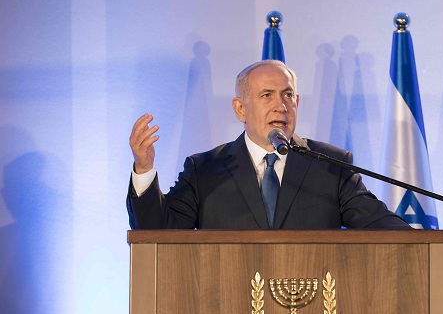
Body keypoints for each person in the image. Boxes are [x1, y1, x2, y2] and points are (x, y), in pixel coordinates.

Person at [127, 59, 410, 230]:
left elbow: (383, 229)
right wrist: (144, 168)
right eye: (266, 95)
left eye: (288, 95)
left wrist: (430, 244)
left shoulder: (330, 166)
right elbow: (157, 232)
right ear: (240, 109)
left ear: (297, 103)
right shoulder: (204, 170)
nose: (280, 105)